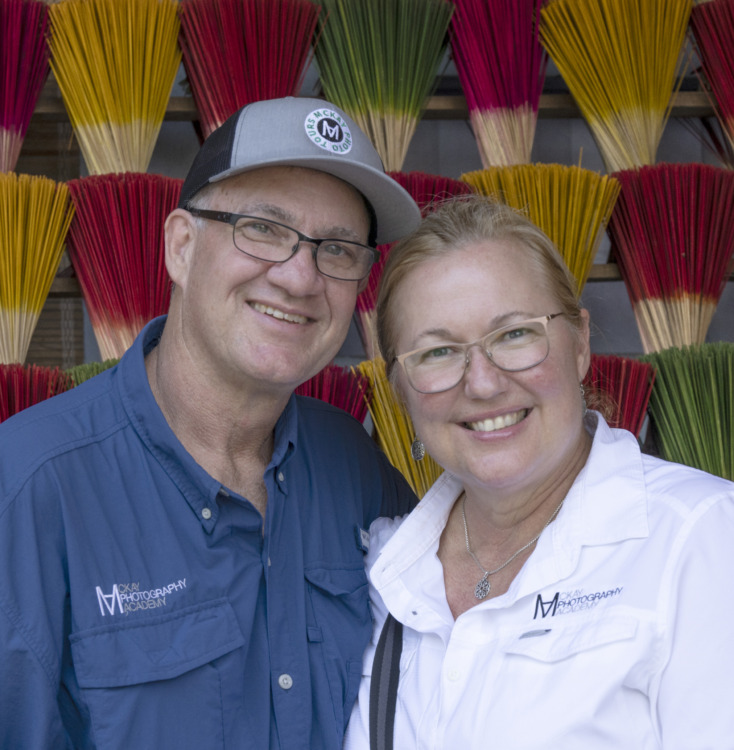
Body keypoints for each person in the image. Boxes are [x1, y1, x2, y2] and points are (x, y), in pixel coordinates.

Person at [0, 96, 421, 749]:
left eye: (337, 249)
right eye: (264, 228)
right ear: (182, 247)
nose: (300, 277)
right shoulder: (30, 488)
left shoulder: (357, 469)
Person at [344, 195, 734, 749]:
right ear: (400, 392)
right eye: (437, 353)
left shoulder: (700, 539)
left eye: (514, 335)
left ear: (579, 344)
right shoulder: (380, 569)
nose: (482, 383)